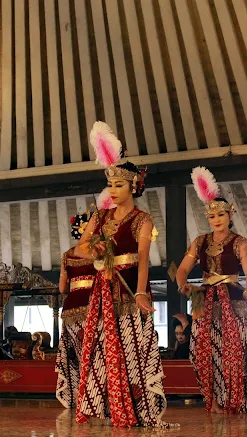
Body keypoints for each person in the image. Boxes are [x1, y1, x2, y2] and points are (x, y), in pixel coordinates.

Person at [72, 122, 173, 428]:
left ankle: (137, 407)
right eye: (111, 186)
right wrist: (99, 251)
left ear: (133, 186)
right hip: (103, 291)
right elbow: (80, 249)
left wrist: (141, 292)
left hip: (130, 289)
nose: (113, 191)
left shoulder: (143, 219)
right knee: (103, 350)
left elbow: (144, 260)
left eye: (119, 185)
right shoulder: (100, 216)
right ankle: (108, 406)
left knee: (133, 350)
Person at [176, 166, 247, 414]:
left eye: (220, 215)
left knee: (236, 349)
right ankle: (214, 400)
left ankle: (237, 397)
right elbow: (183, 269)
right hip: (204, 298)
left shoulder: (239, 241)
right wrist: (182, 283)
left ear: (230, 215)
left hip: (234, 297)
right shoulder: (200, 241)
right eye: (211, 216)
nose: (216, 220)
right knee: (203, 350)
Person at [55, 190, 113, 408]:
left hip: (71, 311)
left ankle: (79, 398)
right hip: (93, 306)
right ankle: (97, 398)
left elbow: (62, 288)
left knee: (76, 355)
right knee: (98, 353)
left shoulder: (67, 255)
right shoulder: (98, 251)